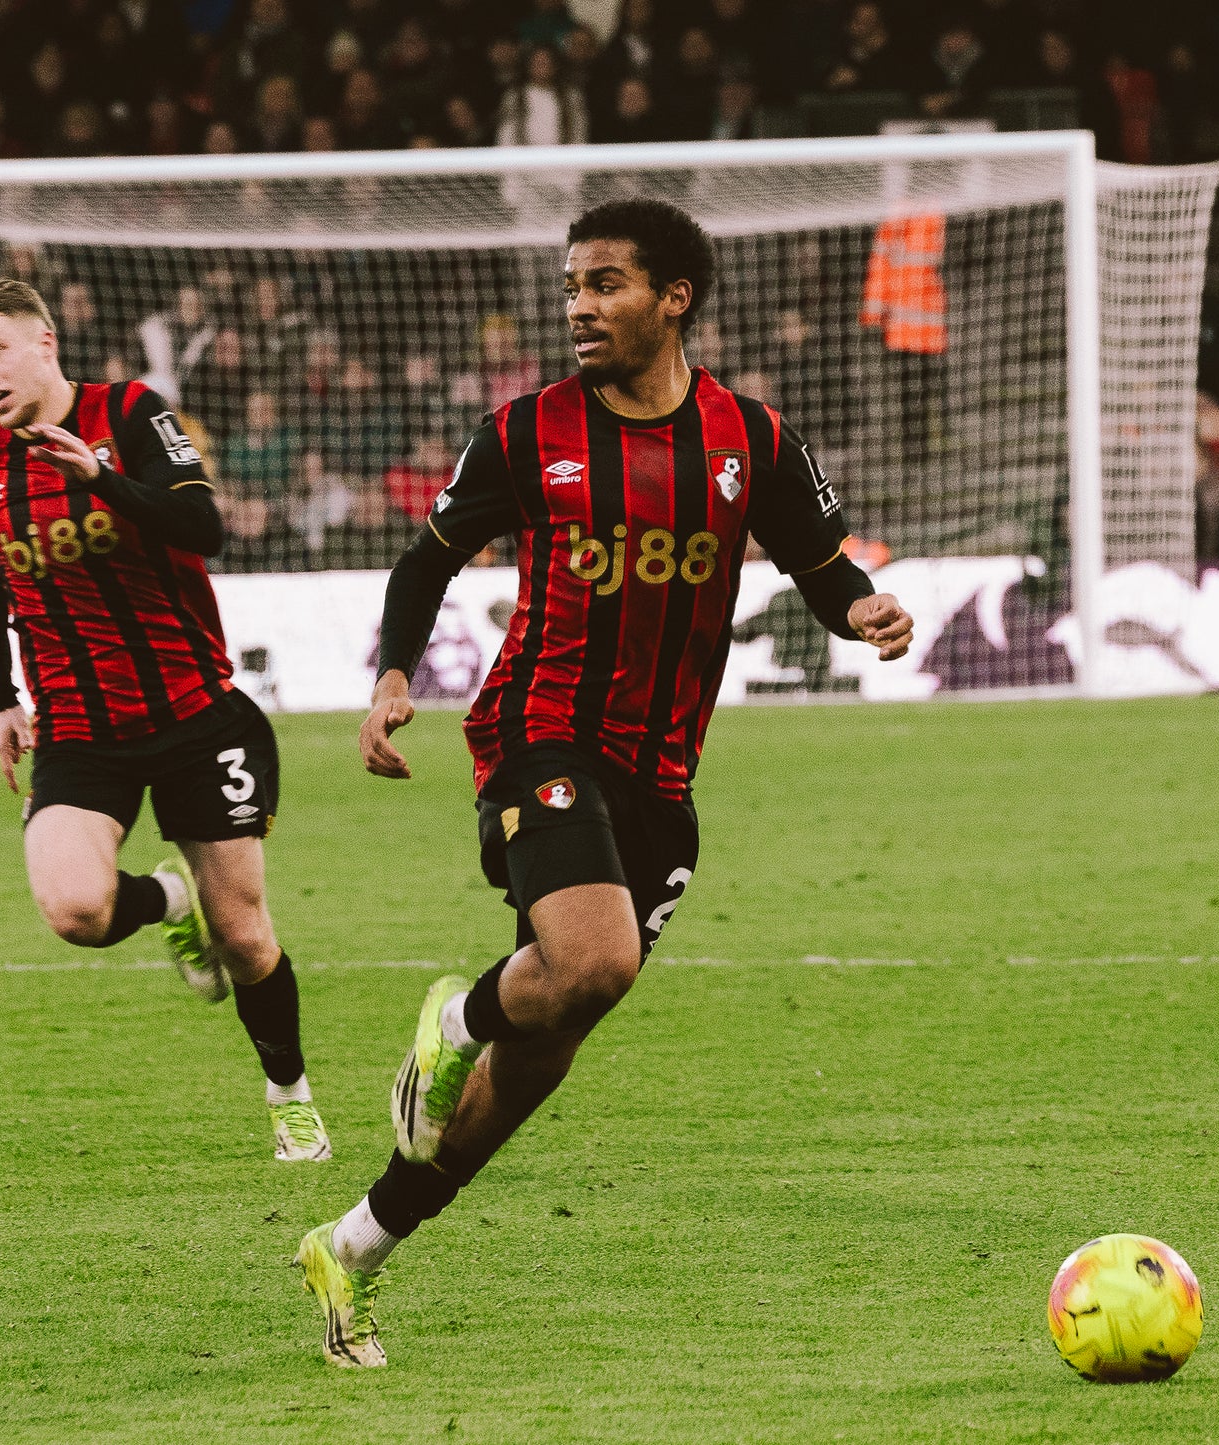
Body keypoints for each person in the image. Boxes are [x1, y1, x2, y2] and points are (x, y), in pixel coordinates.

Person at [293, 199, 915, 1366]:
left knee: (554, 1037)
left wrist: (863, 606)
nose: (578, 305)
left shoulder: (752, 438)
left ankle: (358, 1242)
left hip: (662, 774)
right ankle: (459, 1015)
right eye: (572, 284)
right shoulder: (526, 431)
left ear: (673, 296)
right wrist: (388, 678)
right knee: (593, 959)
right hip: (541, 734)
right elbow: (426, 560)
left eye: (606, 284)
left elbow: (819, 563)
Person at [0, 278, 329, 1163]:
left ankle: (289, 1091)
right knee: (74, 909)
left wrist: (101, 476)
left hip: (196, 713)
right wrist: (0, 695)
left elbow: (204, 525)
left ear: (46, 342)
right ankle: (166, 898)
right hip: (80, 730)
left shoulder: (131, 410)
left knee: (245, 935)